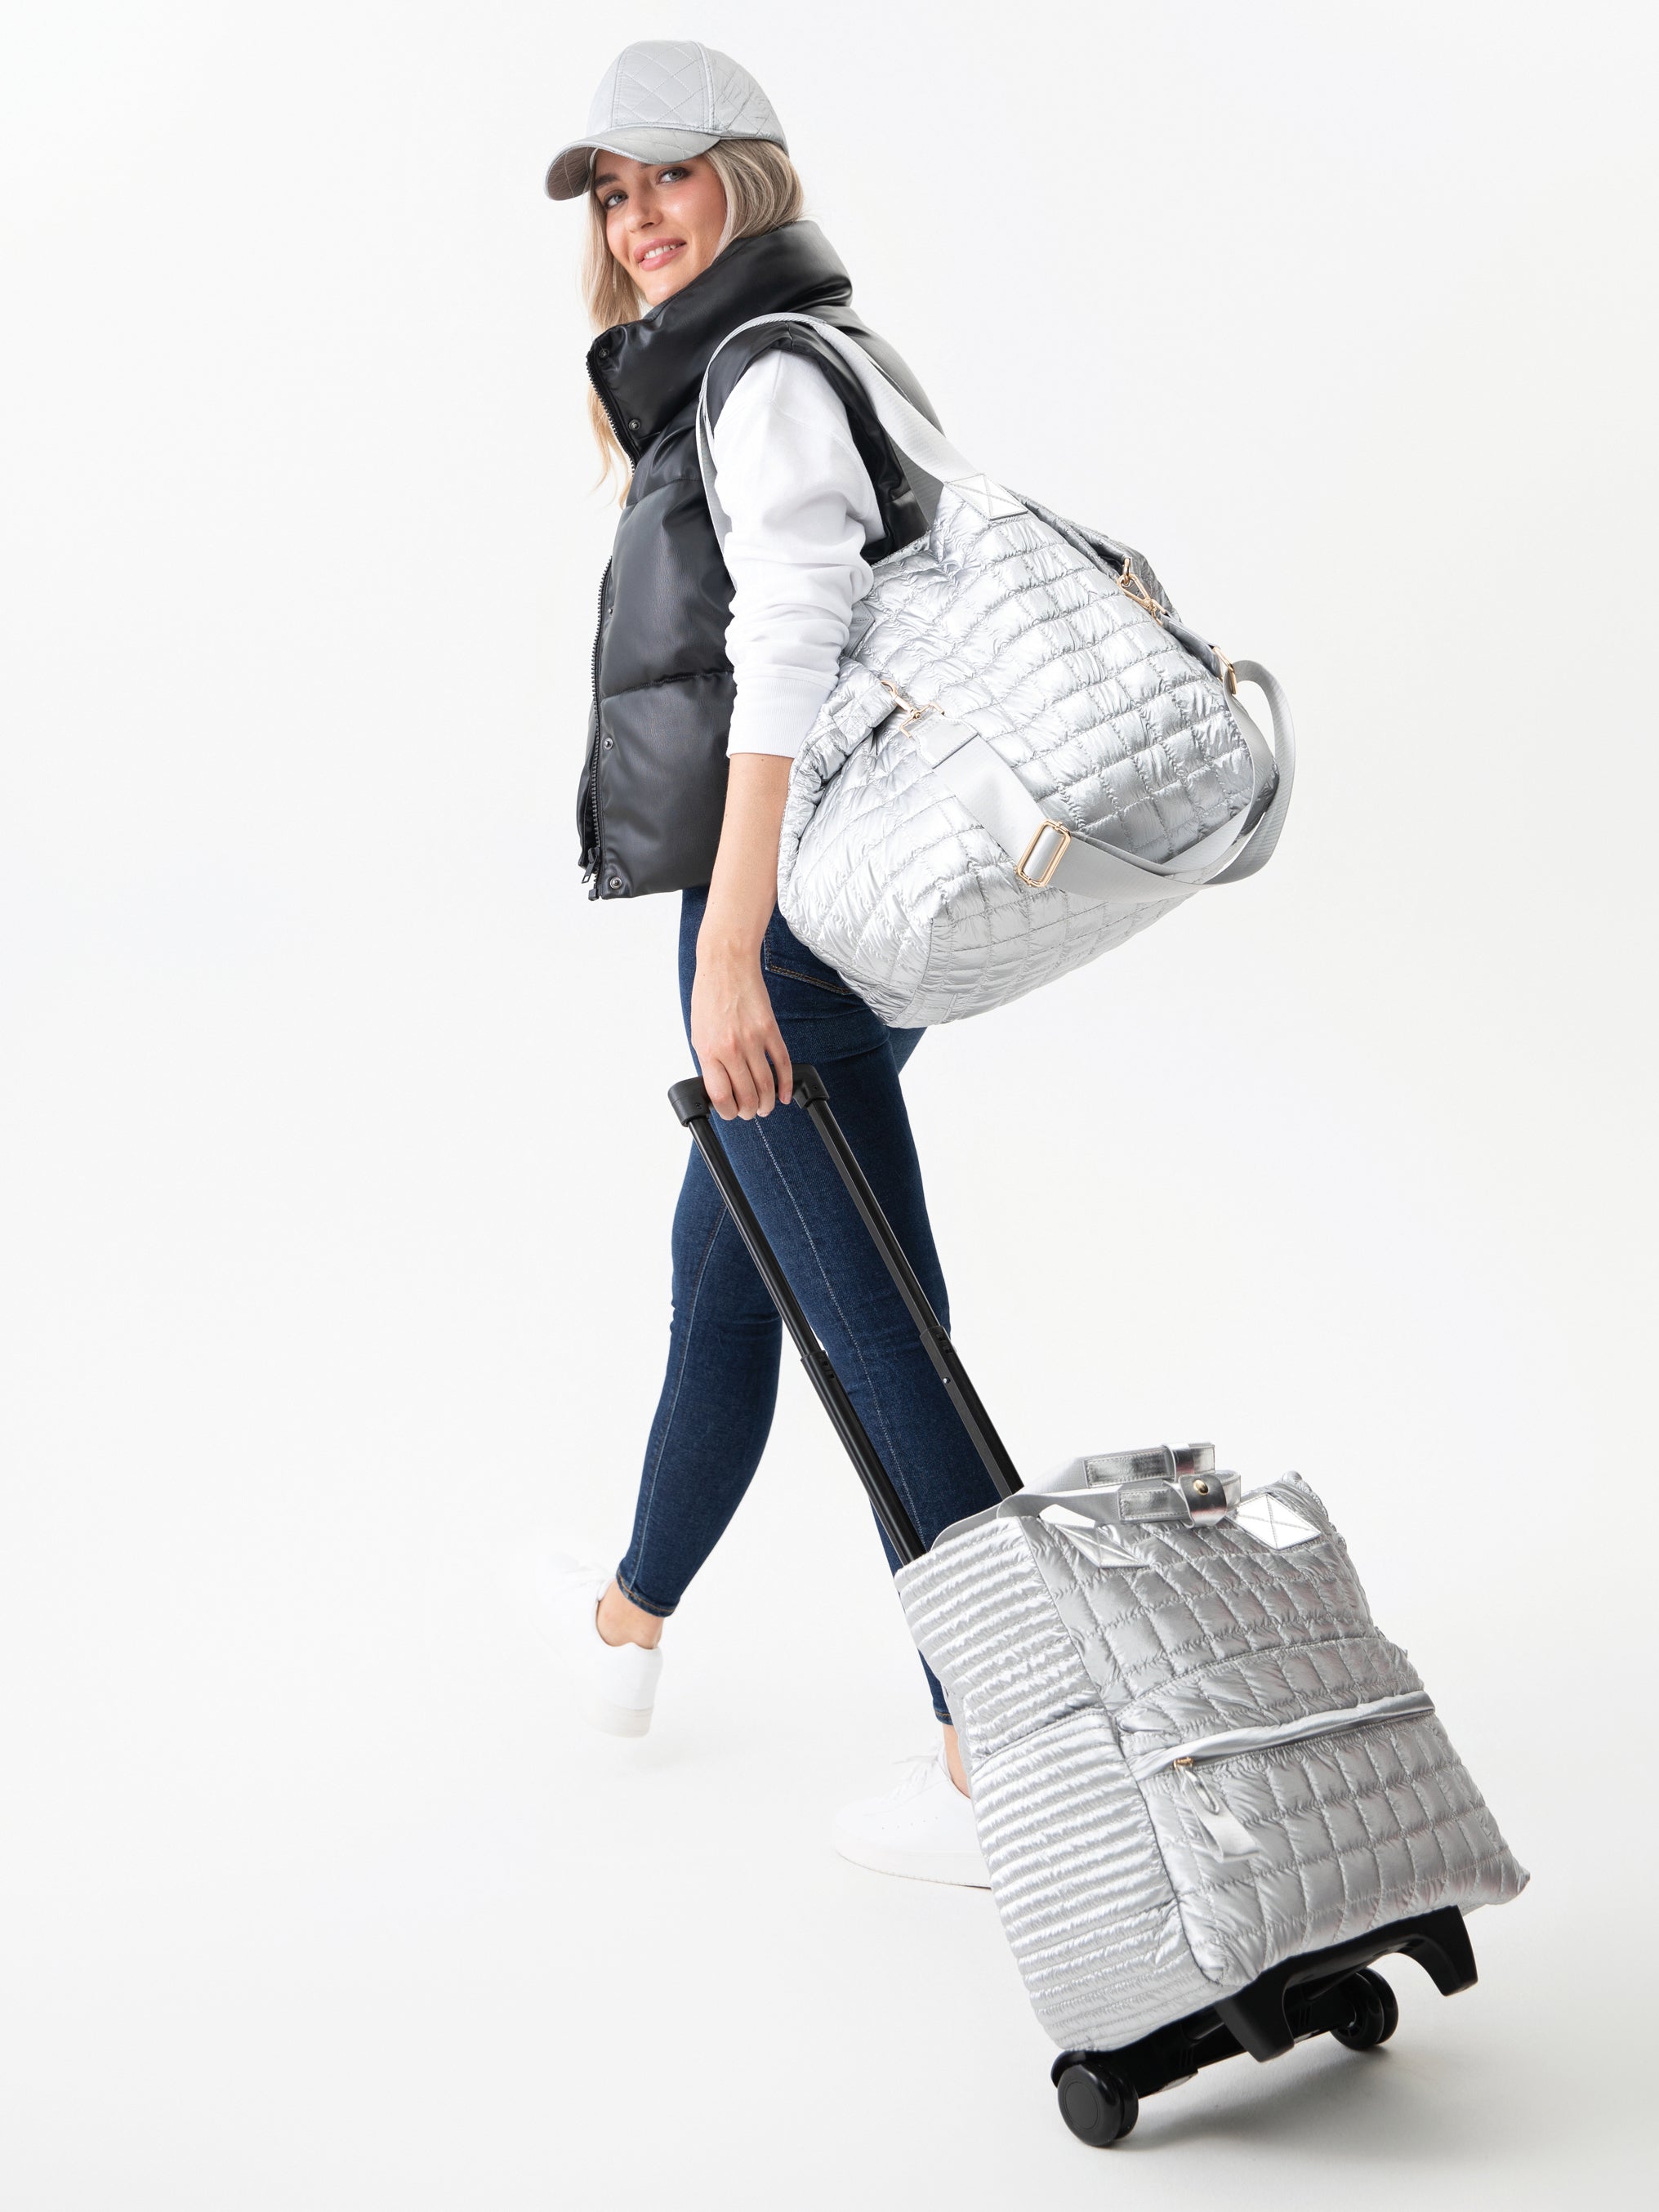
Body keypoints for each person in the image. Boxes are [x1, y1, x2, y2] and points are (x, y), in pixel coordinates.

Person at [544, 42, 998, 1887]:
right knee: (727, 1280)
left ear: (749, 174)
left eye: (670, 177)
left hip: (789, 910)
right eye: (612, 193)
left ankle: (997, 1754)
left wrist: (728, 944)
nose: (638, 218)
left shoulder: (764, 375)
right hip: (822, 898)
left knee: (875, 1327)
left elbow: (790, 652)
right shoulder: (776, 354)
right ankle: (634, 1611)